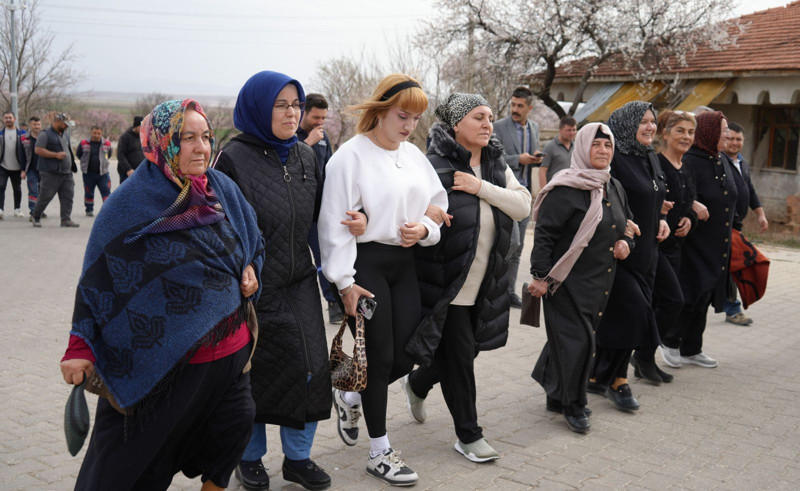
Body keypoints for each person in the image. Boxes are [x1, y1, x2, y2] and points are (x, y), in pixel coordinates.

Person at [60, 99, 265, 490]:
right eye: (187, 138)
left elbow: (252, 243)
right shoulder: (130, 204)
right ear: (162, 143)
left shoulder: (223, 189)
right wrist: (79, 345)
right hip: (165, 368)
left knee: (233, 431)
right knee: (135, 467)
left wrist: (251, 270)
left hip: (229, 359)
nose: (201, 147)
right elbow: (98, 279)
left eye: (206, 137)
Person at [215, 71, 361, 491]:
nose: (291, 113)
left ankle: (298, 459)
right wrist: (240, 266)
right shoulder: (232, 158)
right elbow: (218, 225)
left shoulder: (305, 156)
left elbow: (322, 221)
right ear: (259, 108)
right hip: (252, 287)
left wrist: (341, 274)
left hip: (299, 283)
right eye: (281, 105)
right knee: (254, 373)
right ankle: (249, 458)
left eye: (295, 104)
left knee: (311, 369)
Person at [318, 74, 448, 486]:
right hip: (366, 266)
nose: (409, 126)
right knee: (377, 357)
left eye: (416, 118)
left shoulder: (413, 155)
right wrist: (343, 283)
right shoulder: (349, 157)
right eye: (402, 116)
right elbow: (332, 225)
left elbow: (438, 206)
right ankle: (379, 452)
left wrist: (424, 229)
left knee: (405, 355)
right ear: (380, 111)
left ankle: (349, 394)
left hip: (405, 264)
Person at [402, 93, 530, 461]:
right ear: (457, 124)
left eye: (490, 117)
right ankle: (469, 435)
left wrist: (480, 188)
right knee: (459, 358)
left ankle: (418, 382)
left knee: (466, 351)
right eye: (478, 117)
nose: (488, 124)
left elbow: (523, 206)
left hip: (487, 282)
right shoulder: (434, 166)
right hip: (447, 282)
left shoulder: (494, 164)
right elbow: (409, 210)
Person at [529, 122, 633, 433]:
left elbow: (625, 224)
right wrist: (539, 276)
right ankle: (573, 404)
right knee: (579, 343)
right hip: (565, 281)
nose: (602, 150)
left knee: (569, 339)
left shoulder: (612, 185)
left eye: (608, 145)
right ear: (583, 147)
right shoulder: (565, 188)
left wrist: (627, 243)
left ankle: (554, 391)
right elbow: (545, 235)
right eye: (596, 145)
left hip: (600, 281)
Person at [588, 101, 668, 411]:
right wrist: (622, 224)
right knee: (635, 313)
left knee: (622, 318)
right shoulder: (616, 158)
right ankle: (617, 380)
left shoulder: (650, 156)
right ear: (626, 124)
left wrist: (662, 218)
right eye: (643, 121)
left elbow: (655, 197)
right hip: (617, 253)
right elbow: (601, 197)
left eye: (652, 121)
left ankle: (595, 374)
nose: (650, 126)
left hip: (647, 254)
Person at [660, 111, 737, 369]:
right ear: (710, 132)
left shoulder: (719, 159)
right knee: (690, 293)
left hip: (717, 242)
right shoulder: (691, 159)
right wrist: (693, 205)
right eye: (723, 130)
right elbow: (681, 190)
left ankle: (692, 348)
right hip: (695, 240)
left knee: (704, 295)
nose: (727, 135)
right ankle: (670, 342)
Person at [632, 110, 697, 383]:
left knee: (663, 302)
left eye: (690, 132)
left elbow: (688, 203)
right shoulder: (655, 163)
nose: (686, 137)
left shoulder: (686, 167)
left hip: (676, 247)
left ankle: (644, 358)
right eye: (680, 131)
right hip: (654, 245)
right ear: (665, 134)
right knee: (673, 300)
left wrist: (690, 218)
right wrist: (660, 211)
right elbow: (647, 198)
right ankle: (642, 355)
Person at [493, 86, 543, 308]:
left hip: (525, 195)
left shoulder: (534, 128)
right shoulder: (498, 127)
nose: (515, 109)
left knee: (519, 246)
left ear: (529, 108)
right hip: (506, 193)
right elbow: (493, 157)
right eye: (513, 104)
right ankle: (494, 289)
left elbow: (532, 155)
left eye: (520, 106)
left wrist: (536, 158)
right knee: (509, 244)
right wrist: (517, 159)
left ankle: (509, 292)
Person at [297, 93, 342, 324]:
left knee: (325, 258)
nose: (320, 122)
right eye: (316, 117)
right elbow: (282, 165)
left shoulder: (324, 139)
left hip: (319, 211)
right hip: (294, 211)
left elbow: (330, 170)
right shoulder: (291, 136)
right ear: (303, 112)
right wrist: (307, 144)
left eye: (324, 118)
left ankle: (334, 305)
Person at [720, 121, 768, 326]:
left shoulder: (742, 162)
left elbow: (750, 190)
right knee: (732, 266)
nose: (734, 143)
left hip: (736, 226)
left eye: (738, 139)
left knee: (727, 267)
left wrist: (760, 215)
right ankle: (732, 309)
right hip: (724, 226)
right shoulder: (719, 162)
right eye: (730, 138)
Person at [32, 113, 79, 228]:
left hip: (66, 173)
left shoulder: (65, 135)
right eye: (65, 124)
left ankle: (65, 219)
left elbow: (68, 151)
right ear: (57, 121)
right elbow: (38, 150)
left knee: (68, 196)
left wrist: (72, 164)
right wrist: (55, 155)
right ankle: (36, 217)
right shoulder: (45, 134)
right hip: (50, 172)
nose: (67, 126)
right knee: (45, 196)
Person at [76, 125, 113, 217]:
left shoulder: (107, 143)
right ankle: (89, 210)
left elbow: (109, 155)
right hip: (88, 173)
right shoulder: (83, 143)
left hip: (103, 173)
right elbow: (79, 154)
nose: (96, 135)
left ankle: (107, 210)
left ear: (101, 134)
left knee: (106, 191)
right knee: (89, 192)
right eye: (94, 133)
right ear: (91, 133)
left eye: (99, 133)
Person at [0, 111, 27, 219]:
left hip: (17, 167)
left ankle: (17, 209)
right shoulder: (1, 134)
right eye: (6, 118)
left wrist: (24, 169)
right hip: (3, 166)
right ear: (3, 119)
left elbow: (27, 151)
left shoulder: (22, 134)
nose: (8, 120)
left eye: (10, 118)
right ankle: (0, 210)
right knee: (1, 187)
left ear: (14, 119)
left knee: (17, 189)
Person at [538, 116, 577, 188]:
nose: (572, 133)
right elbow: (542, 171)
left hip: (572, 189)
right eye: (568, 130)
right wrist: (545, 191)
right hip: (554, 190)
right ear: (560, 130)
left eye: (574, 130)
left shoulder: (576, 147)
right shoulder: (549, 147)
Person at [21, 117, 44, 219]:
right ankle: (33, 212)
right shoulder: (24, 138)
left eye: (38, 124)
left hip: (44, 169)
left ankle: (40, 210)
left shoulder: (45, 136)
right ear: (30, 125)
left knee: (43, 192)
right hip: (31, 169)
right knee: (33, 191)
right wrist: (23, 170)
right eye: (34, 124)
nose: (37, 127)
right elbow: (21, 155)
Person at [117, 116, 145, 184]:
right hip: (127, 173)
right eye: (141, 127)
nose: (143, 129)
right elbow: (120, 154)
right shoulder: (125, 137)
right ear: (136, 126)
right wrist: (128, 169)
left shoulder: (143, 137)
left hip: (140, 171)